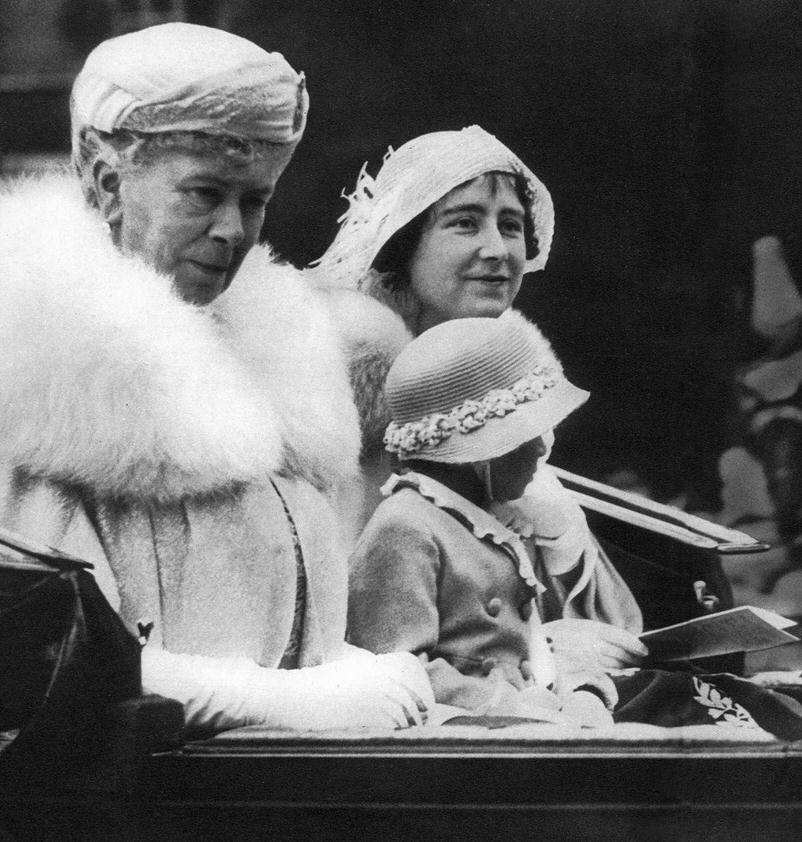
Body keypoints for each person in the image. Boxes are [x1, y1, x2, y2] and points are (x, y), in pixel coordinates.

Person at [0, 22, 431, 733]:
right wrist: (271, 700)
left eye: (255, 200)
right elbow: (32, 656)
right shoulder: (34, 378)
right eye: (203, 193)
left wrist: (339, 665)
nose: (235, 229)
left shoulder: (273, 370)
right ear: (109, 182)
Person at [308, 128, 644, 672]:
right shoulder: (333, 402)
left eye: (511, 226)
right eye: (465, 222)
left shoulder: (504, 387)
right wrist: (536, 653)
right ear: (403, 241)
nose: (498, 250)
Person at [347, 314, 624, 726]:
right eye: (525, 436)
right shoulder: (406, 527)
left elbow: (524, 643)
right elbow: (397, 671)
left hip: (532, 710)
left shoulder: (495, 518)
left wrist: (576, 690)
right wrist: (509, 706)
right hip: (460, 735)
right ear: (479, 454)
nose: (540, 450)